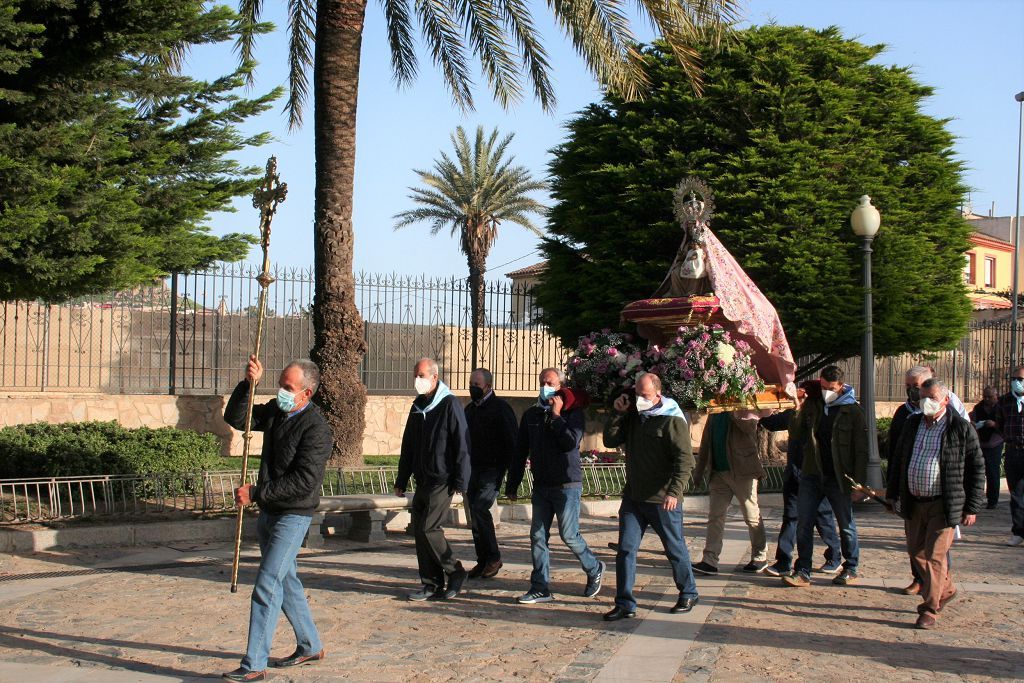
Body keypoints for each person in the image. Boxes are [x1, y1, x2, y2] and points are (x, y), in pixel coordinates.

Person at [221, 357, 332, 682]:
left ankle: (254, 663)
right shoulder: (275, 411)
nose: (281, 392)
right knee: (286, 582)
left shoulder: (316, 429)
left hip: (293, 515)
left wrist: (255, 493)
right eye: (280, 384)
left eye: (288, 388)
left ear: (306, 393)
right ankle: (310, 645)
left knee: (267, 585)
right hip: (271, 511)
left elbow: (303, 481)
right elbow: (237, 418)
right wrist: (248, 384)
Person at [600, 373, 699, 620]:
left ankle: (688, 592)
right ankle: (625, 603)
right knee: (626, 550)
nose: (640, 399)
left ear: (657, 392)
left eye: (644, 395)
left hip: (662, 499)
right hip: (634, 497)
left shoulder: (671, 420)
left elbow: (685, 460)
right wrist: (617, 413)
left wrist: (675, 491)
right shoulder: (634, 417)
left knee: (674, 548)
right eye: (637, 394)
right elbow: (611, 439)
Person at [888, 379, 984, 629]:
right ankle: (946, 588)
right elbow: (899, 458)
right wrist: (892, 494)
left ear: (945, 400)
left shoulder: (960, 428)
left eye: (931, 397)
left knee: (934, 556)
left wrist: (971, 507)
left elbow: (977, 469)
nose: (925, 402)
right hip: (914, 500)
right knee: (915, 552)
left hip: (944, 503)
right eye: (922, 397)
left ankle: (929, 609)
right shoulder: (912, 424)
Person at [506, 367, 605, 604]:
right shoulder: (532, 415)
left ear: (560, 386)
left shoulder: (572, 412)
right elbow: (520, 450)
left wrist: (557, 416)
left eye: (549, 382)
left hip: (566, 484)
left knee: (569, 535)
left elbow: (570, 443)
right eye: (542, 382)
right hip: (542, 485)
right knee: (537, 536)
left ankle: (594, 568)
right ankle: (540, 586)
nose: (544, 386)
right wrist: (513, 483)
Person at [782, 365, 867, 588]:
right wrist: (798, 408)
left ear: (841, 387)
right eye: (823, 387)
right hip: (812, 473)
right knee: (804, 523)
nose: (826, 391)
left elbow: (861, 450)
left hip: (839, 477)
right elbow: (796, 433)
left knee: (846, 523)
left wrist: (859, 483)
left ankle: (851, 567)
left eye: (831, 388)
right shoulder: (813, 404)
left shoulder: (853, 411)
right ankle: (802, 570)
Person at [395, 358, 471, 601]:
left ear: (434, 377)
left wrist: (462, 480)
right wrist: (402, 478)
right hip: (422, 478)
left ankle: (455, 571)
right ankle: (431, 583)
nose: (417, 380)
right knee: (419, 530)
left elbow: (461, 443)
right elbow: (408, 444)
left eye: (421, 375)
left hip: (443, 478)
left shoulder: (449, 404)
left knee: (430, 528)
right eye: (415, 375)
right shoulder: (418, 406)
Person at [888, 365, 969, 594]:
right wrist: (893, 490)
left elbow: (969, 457)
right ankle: (929, 582)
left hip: (942, 495)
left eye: (916, 386)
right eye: (908, 387)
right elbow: (896, 453)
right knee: (915, 546)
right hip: (912, 492)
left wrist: (967, 502)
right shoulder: (905, 415)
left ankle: (933, 599)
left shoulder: (953, 416)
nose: (913, 392)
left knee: (937, 551)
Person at [758, 381, 842, 577]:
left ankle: (835, 556)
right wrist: (762, 401)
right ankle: (783, 561)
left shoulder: (821, 415)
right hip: (795, 474)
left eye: (803, 396)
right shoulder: (794, 413)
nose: (799, 399)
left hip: (814, 476)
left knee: (822, 517)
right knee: (790, 517)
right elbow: (770, 423)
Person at [690, 409, 769, 576]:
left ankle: (760, 556)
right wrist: (699, 471)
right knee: (715, 516)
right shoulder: (714, 412)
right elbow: (706, 442)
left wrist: (735, 412)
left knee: (751, 515)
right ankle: (710, 560)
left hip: (743, 470)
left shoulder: (744, 406)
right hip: (719, 473)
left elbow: (750, 428)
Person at [464, 368, 519, 579]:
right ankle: (483, 560)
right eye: (471, 384)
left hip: (493, 469)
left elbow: (512, 443)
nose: (473, 388)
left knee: (480, 507)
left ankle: (494, 557)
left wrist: (511, 478)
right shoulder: (470, 409)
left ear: (488, 386)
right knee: (475, 515)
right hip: (473, 469)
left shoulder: (501, 408)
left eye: (476, 385)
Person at [996, 366, 1024, 547]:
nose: (1017, 382)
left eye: (1020, 379)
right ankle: (1018, 531)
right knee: (1016, 493)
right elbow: (1000, 424)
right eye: (1014, 378)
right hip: (1013, 450)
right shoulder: (1004, 401)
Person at [970, 386, 1004, 510]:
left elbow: (1006, 424)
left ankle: (992, 500)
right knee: (978, 472)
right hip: (981, 442)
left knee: (992, 472)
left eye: (990, 397)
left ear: (996, 396)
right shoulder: (978, 407)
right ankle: (977, 499)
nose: (987, 399)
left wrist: (994, 424)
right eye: (985, 397)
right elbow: (971, 418)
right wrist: (973, 423)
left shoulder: (1001, 407)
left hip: (995, 442)